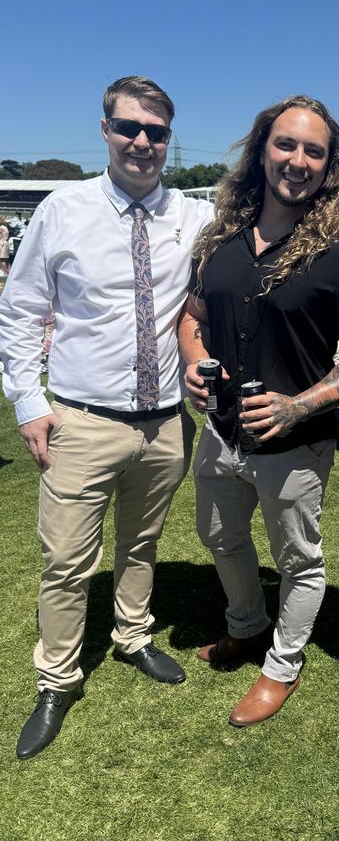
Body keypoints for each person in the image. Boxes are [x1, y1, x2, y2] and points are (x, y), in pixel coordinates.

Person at [0, 76, 213, 760]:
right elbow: (21, 309)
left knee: (141, 542)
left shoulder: (194, 216)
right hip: (83, 420)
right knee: (65, 560)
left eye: (155, 132)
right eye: (129, 128)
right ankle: (57, 678)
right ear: (105, 131)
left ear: (167, 140)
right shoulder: (63, 211)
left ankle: (132, 636)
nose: (142, 143)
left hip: (164, 420)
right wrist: (29, 401)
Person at [178, 95, 339, 728]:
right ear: (261, 149)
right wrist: (191, 359)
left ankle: (281, 667)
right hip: (220, 431)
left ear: (329, 167)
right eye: (285, 145)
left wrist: (299, 406)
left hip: (294, 443)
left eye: (314, 151)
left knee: (298, 560)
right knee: (219, 535)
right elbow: (194, 317)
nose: (297, 160)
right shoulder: (220, 241)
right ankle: (246, 626)